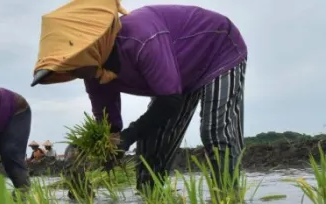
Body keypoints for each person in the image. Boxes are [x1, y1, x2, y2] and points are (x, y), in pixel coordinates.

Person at [31, 1, 247, 191]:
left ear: (91, 48)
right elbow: (109, 124)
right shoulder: (94, 73)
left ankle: (228, 203)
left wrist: (128, 136)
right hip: (180, 73)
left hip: (217, 49)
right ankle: (149, 203)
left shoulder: (142, 39)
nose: (72, 74)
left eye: (73, 66)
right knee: (153, 141)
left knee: (216, 132)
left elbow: (170, 101)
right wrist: (106, 148)